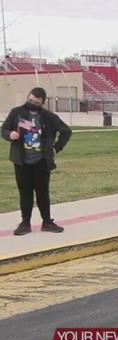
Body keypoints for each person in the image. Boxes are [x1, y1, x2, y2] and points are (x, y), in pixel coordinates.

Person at [2, 87, 72, 235]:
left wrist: (56, 148)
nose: (32, 103)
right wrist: (10, 134)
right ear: (28, 97)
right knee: (25, 192)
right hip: (21, 160)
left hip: (41, 161)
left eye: (36, 102)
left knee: (42, 193)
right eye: (30, 100)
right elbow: (4, 129)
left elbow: (66, 131)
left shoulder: (49, 117)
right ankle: (25, 223)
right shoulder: (17, 112)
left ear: (42, 103)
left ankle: (47, 222)